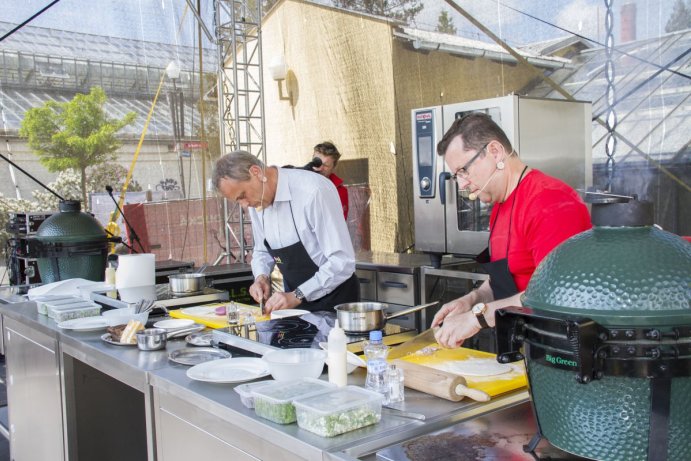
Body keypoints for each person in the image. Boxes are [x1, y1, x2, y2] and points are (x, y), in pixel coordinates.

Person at [431, 113, 591, 348]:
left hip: (559, 351)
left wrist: (478, 317)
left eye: (463, 171)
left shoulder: (550, 201)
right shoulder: (500, 204)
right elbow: (509, 279)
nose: (462, 184)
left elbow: (555, 294)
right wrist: (473, 300)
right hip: (528, 345)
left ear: (495, 151)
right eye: (457, 176)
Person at [213, 151, 359, 314]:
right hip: (294, 305)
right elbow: (261, 250)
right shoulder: (256, 203)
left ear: (256, 172)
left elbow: (342, 261)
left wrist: (298, 294)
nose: (245, 205)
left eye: (243, 195)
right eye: (238, 201)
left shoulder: (314, 190)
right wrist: (261, 276)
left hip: (336, 302)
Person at [311, 141, 349, 220]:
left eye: (325, 165)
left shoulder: (341, 191)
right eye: (317, 162)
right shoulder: (299, 183)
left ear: (333, 167)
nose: (320, 168)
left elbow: (339, 222)